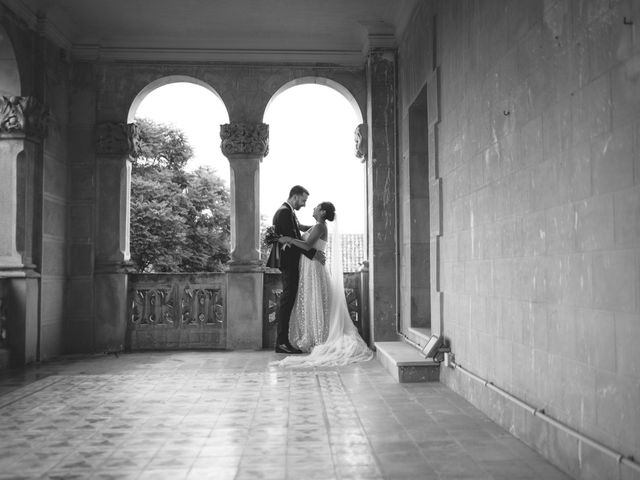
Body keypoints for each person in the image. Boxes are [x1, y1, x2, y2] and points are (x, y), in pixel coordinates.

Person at [273, 201, 373, 367]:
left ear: (322, 212)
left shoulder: (320, 227)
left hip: (313, 268)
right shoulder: (316, 226)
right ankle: (314, 334)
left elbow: (306, 244)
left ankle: (320, 336)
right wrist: (291, 222)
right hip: (308, 266)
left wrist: (288, 239)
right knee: (311, 300)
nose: (313, 208)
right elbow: (302, 228)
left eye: (316, 207)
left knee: (316, 299)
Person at [267, 185, 325, 354]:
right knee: (286, 301)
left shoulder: (288, 211)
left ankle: (283, 341)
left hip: (291, 262)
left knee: (289, 300)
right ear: (294, 197)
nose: (305, 204)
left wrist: (316, 228)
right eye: (303, 200)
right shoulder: (284, 212)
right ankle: (282, 343)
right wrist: (314, 253)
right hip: (289, 262)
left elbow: (296, 232)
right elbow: (293, 240)